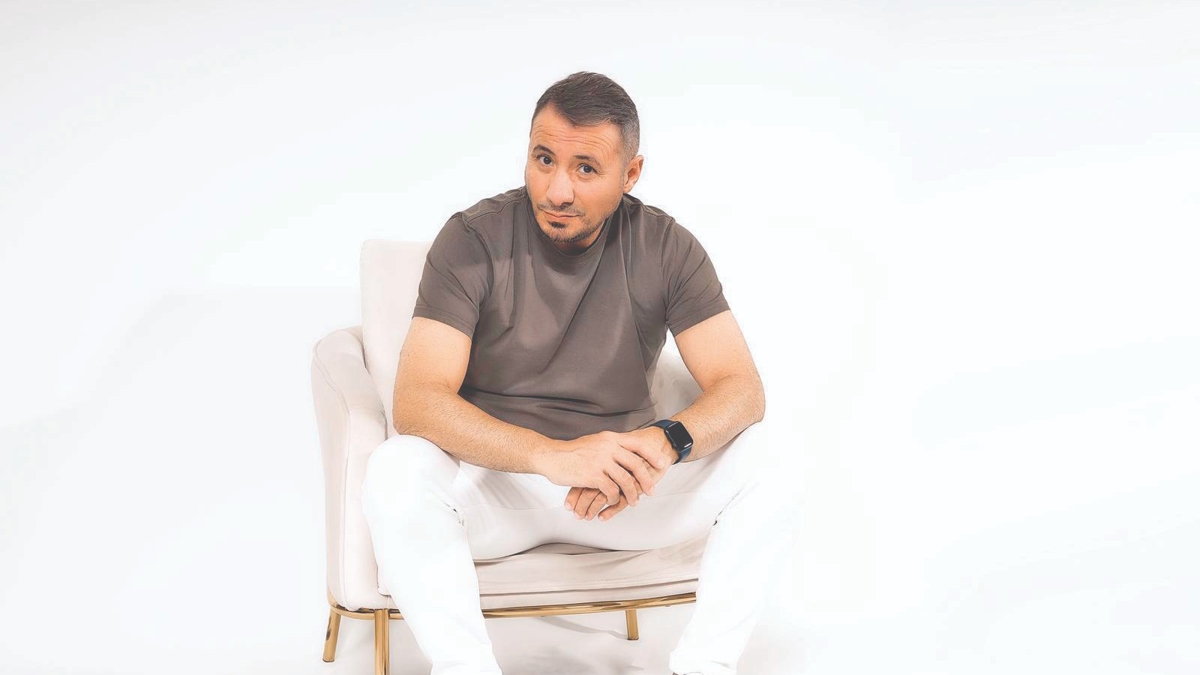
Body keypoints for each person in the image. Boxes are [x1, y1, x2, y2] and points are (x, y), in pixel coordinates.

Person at [359, 71, 799, 675]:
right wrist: (551, 455)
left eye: (586, 168)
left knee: (773, 459)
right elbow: (418, 401)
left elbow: (742, 388)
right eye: (544, 159)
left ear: (631, 173)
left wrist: (661, 444)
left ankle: (703, 668)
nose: (557, 190)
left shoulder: (667, 247)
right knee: (395, 468)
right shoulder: (472, 239)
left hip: (622, 493)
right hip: (496, 488)